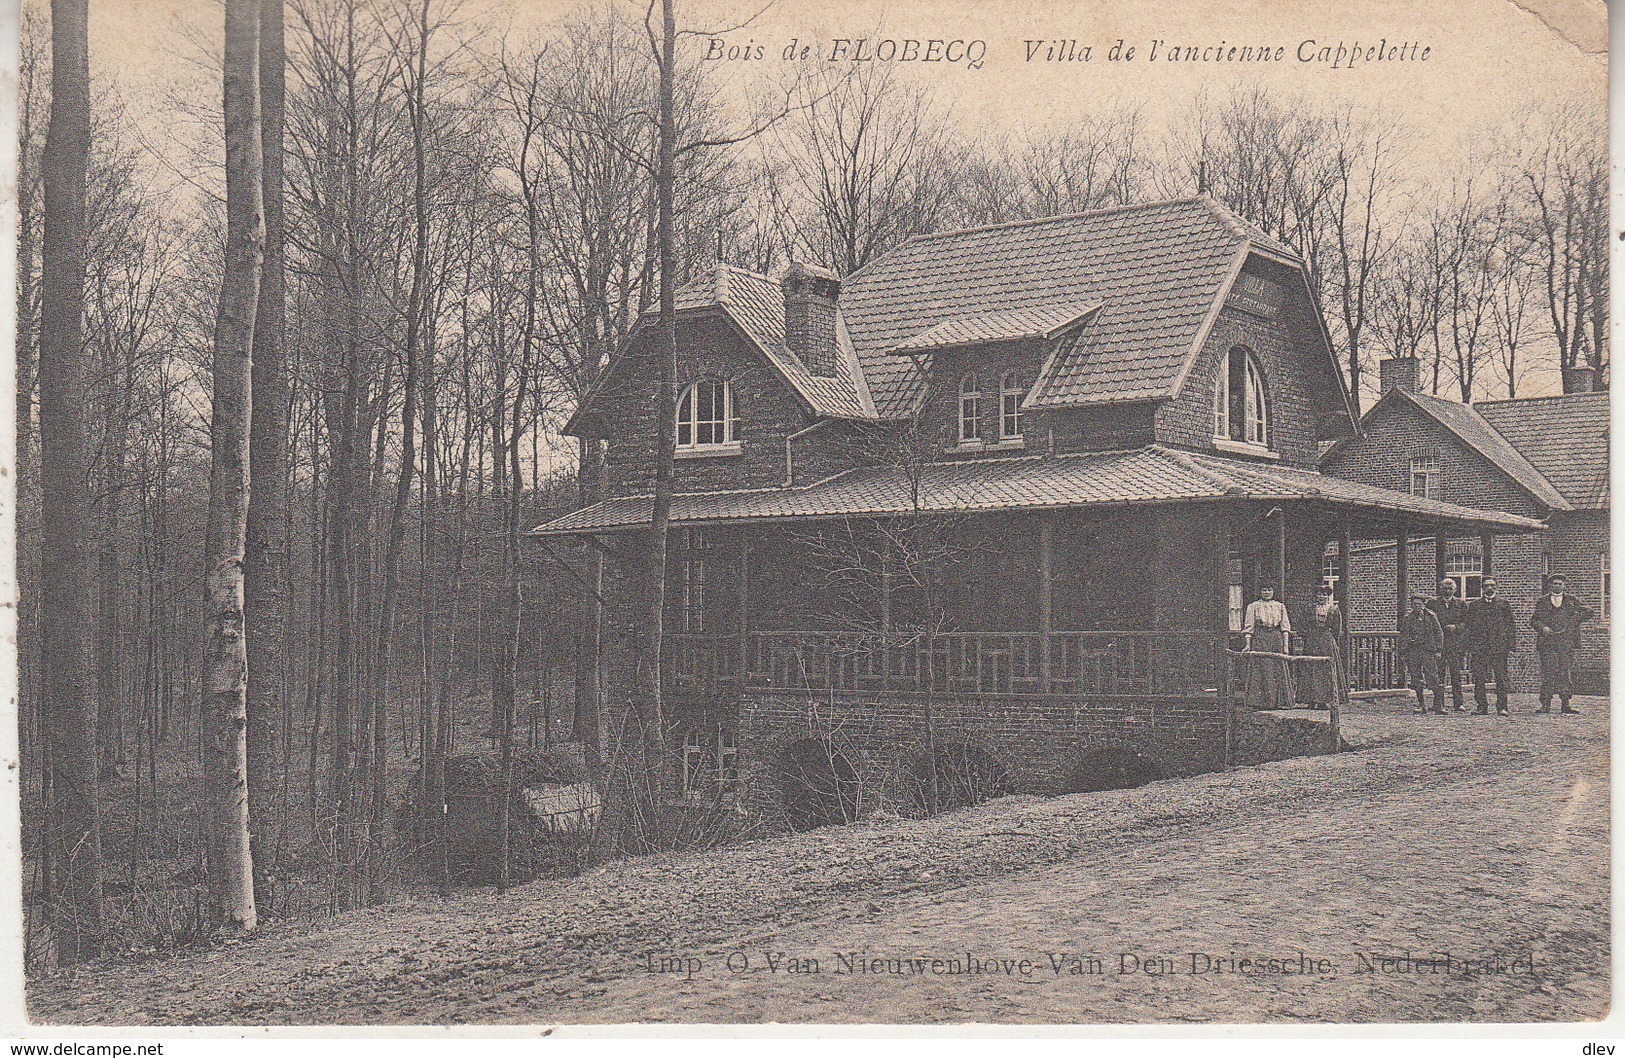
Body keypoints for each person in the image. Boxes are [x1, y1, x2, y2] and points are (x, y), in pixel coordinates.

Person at [1531, 573, 1592, 714]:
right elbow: (1534, 620)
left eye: (1560, 583)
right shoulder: (1543, 601)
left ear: (1564, 585)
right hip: (1548, 642)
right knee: (1548, 672)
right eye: (1554, 583)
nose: (1557, 586)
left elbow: (1589, 612)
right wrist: (1543, 628)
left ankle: (1566, 703)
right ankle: (1545, 703)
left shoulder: (1572, 600)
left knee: (1565, 672)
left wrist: (1576, 620)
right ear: (1550, 585)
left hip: (1566, 641)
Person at [1465, 575, 1515, 716]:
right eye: (1486, 585)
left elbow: (1510, 626)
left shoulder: (1503, 604)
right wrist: (1470, 646)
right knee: (1479, 678)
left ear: (1496, 587)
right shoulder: (1474, 606)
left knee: (1501, 678)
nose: (1489, 588)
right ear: (1482, 588)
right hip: (1480, 648)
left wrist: (1510, 646)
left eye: (1492, 585)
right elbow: (1469, 626)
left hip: (1499, 648)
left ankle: (1502, 707)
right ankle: (1481, 706)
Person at [1242, 585, 1295, 710]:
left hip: (1276, 639)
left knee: (1277, 667)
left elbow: (1285, 627)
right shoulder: (1253, 606)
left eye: (1269, 590)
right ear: (1260, 592)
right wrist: (1248, 644)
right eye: (1264, 590)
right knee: (1260, 667)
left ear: (1273, 591)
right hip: (1260, 638)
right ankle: (1259, 702)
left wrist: (1285, 646)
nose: (1267, 592)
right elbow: (1249, 628)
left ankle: (1279, 702)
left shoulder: (1280, 606)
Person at [1298, 582, 1347, 709]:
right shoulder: (1310, 609)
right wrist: (1308, 636)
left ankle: (1323, 700)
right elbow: (1302, 625)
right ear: (1316, 596)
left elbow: (1337, 628)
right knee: (1311, 668)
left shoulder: (1333, 610)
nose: (1322, 597)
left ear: (1328, 596)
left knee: (1325, 669)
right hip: (1312, 641)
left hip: (1326, 641)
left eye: (1324, 595)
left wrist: (1331, 639)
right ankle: (1310, 699)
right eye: (1320, 594)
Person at [1427, 579, 1470, 712]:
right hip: (1438, 645)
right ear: (1440, 589)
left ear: (1454, 590)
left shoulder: (1461, 604)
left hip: (1455, 644)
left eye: (1450, 589)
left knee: (1456, 675)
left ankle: (1458, 703)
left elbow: (1467, 622)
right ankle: (1438, 703)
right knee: (1438, 675)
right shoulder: (1433, 604)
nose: (1447, 591)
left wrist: (1456, 627)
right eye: (1444, 588)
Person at [1399, 593, 1445, 714]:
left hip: (1428, 651)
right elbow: (1403, 636)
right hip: (1413, 651)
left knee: (1433, 677)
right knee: (1416, 678)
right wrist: (1403, 652)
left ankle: (1438, 705)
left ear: (1424, 605)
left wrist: (1439, 649)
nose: (1417, 606)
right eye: (1414, 604)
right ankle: (1421, 705)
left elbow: (1439, 633)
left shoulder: (1431, 616)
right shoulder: (1408, 618)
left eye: (1419, 604)